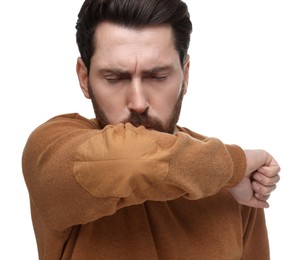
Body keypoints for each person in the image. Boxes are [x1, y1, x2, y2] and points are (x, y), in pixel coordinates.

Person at [22, 0, 280, 259]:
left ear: (185, 74)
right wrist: (232, 166)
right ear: (84, 78)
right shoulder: (51, 149)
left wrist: (230, 171)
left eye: (157, 77)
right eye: (114, 78)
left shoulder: (229, 179)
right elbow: (130, 160)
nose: (138, 102)